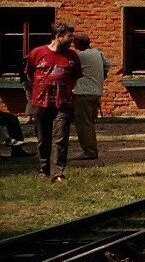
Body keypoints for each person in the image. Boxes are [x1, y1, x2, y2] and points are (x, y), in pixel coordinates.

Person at [24, 23, 79, 182]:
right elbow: (29, 75)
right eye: (69, 37)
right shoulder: (37, 53)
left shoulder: (72, 56)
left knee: (60, 137)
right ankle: (44, 169)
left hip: (64, 103)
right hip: (41, 102)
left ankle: (58, 173)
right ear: (58, 36)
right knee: (43, 138)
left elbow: (75, 76)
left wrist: (67, 89)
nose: (71, 40)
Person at [72, 30, 110, 160]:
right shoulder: (98, 53)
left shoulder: (79, 56)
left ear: (77, 43)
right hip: (96, 92)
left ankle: (89, 151)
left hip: (83, 92)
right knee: (90, 122)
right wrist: (99, 78)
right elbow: (107, 66)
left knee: (83, 123)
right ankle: (91, 149)